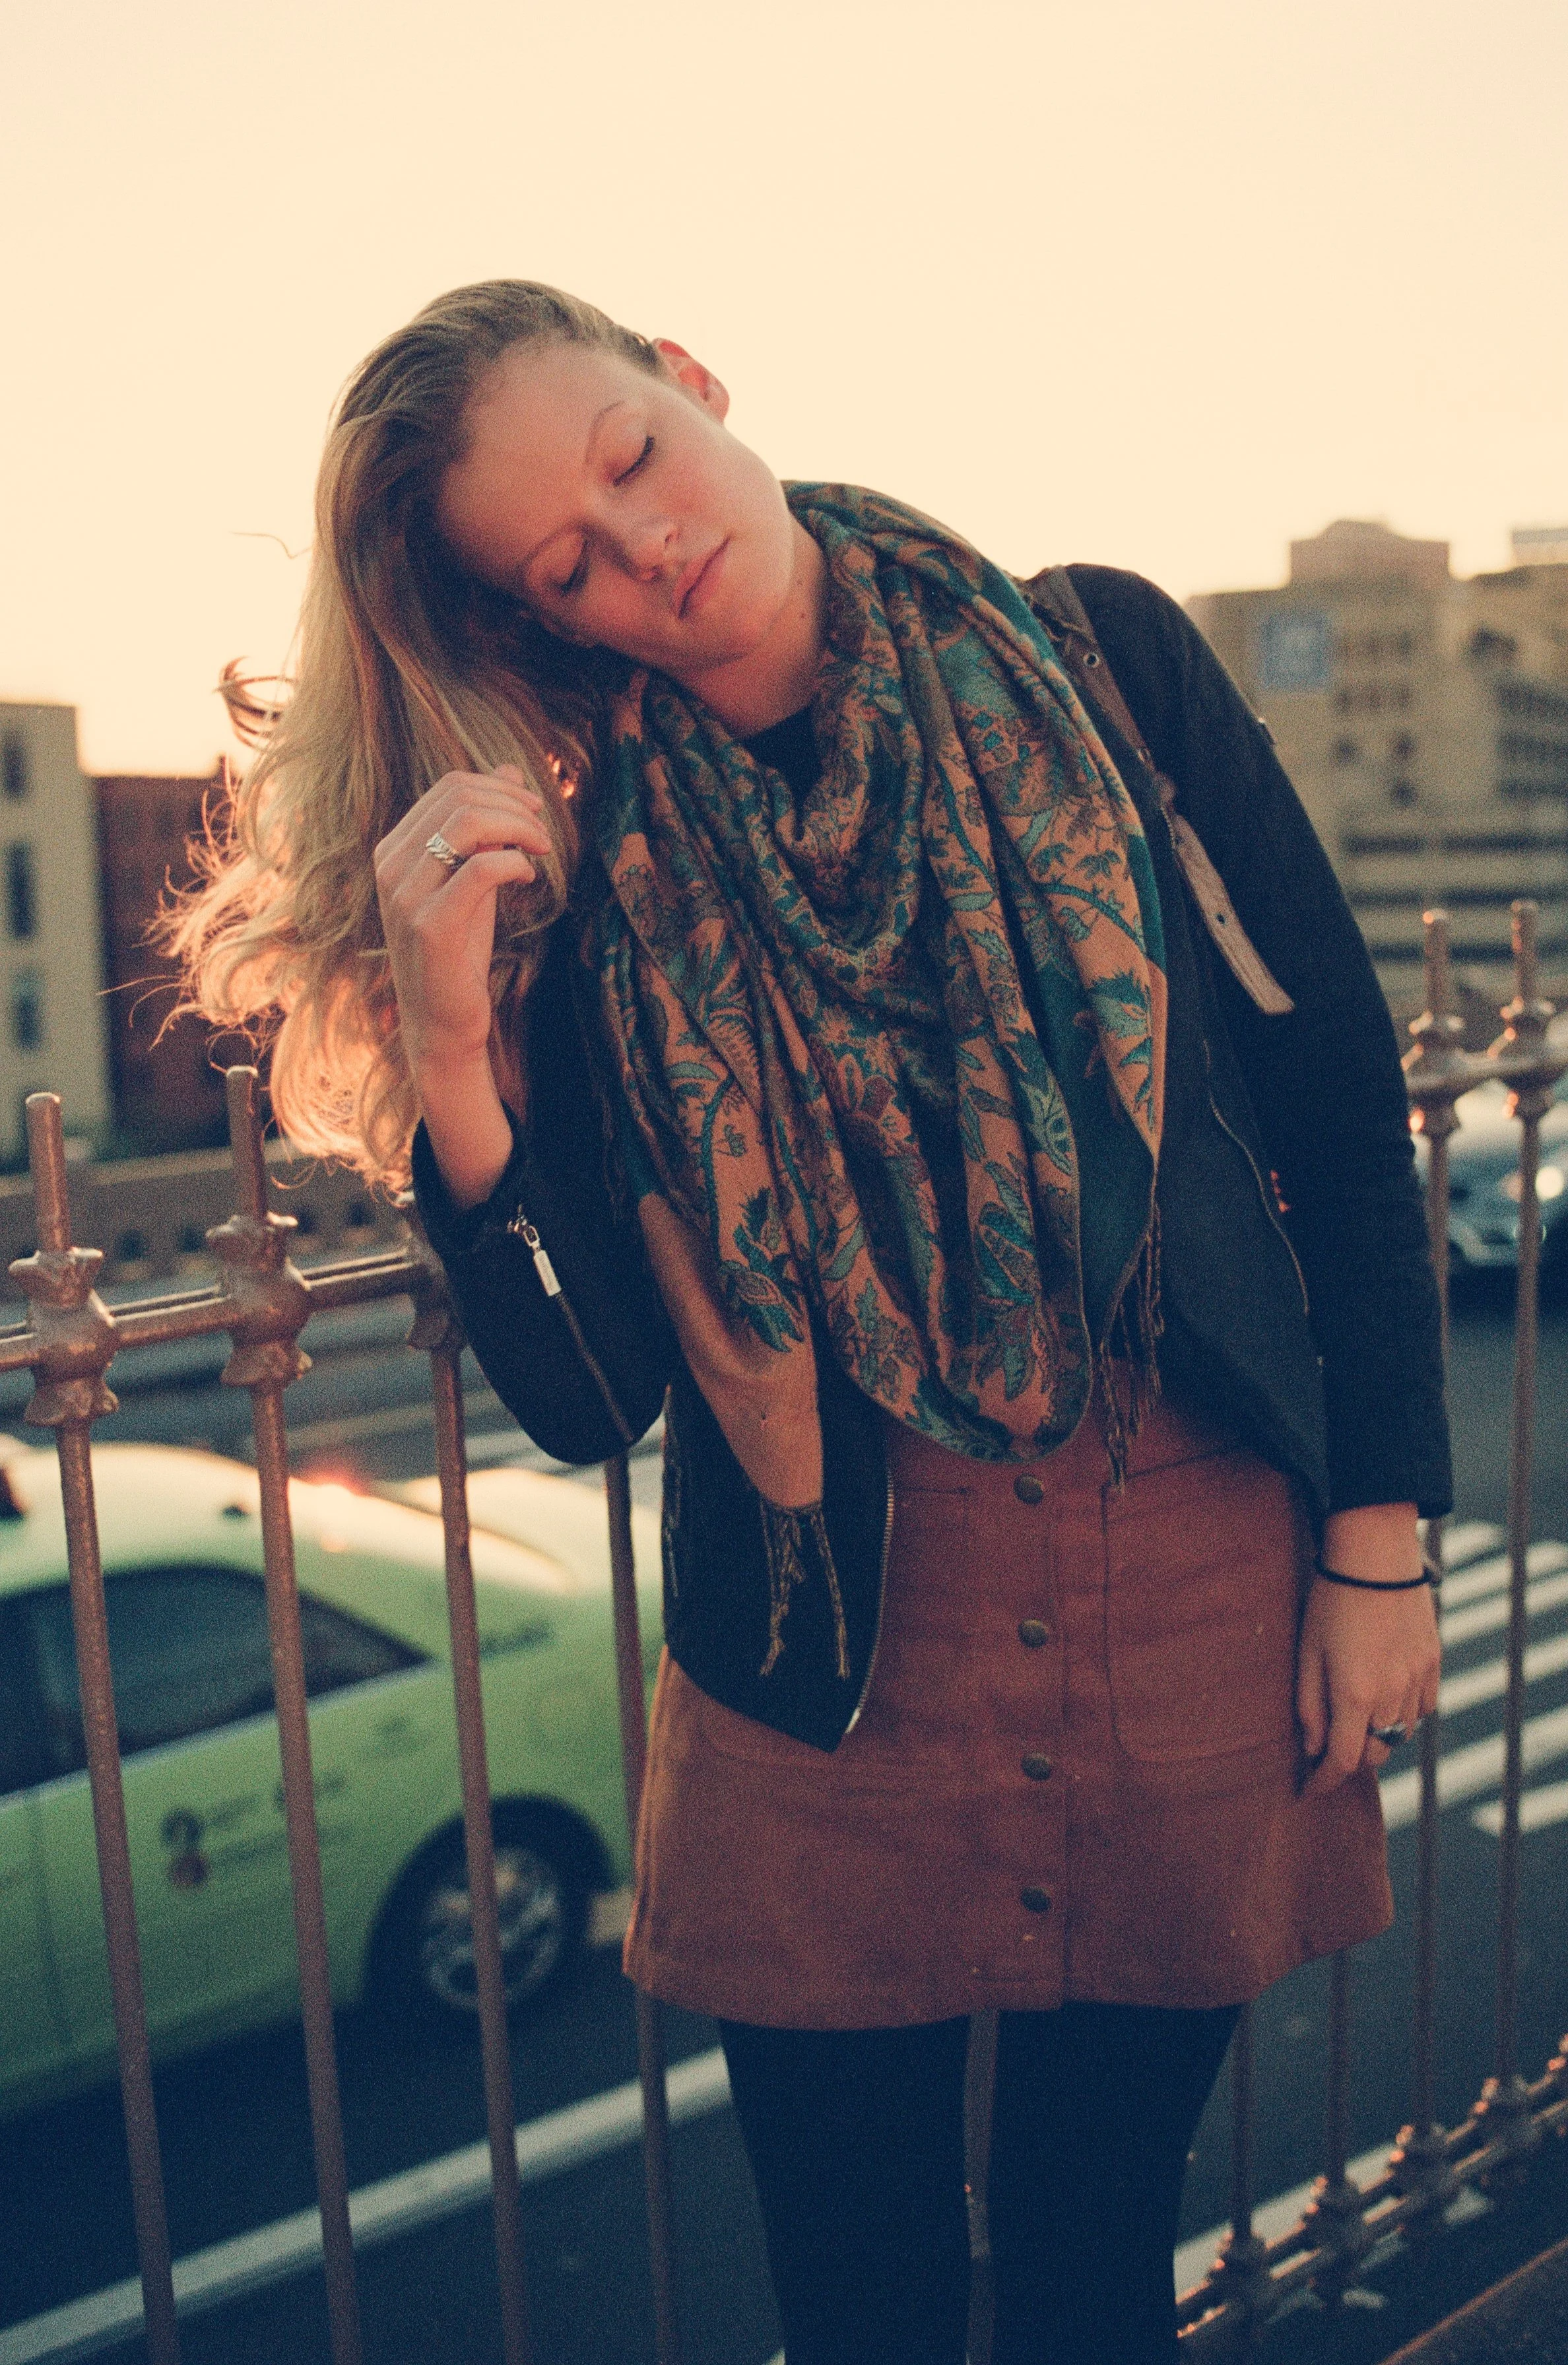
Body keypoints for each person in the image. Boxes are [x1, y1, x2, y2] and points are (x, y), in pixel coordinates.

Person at [172, 281, 1451, 2365]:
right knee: (862, 2300)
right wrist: (457, 1058)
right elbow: (590, 1395)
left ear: (687, 378)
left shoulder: (1105, 660)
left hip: (1194, 1589)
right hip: (827, 1677)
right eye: (567, 568)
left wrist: (1380, 1535)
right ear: (540, 623)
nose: (645, 549)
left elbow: (1332, 1103)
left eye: (632, 460)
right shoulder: (586, 872)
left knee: (1091, 2259)